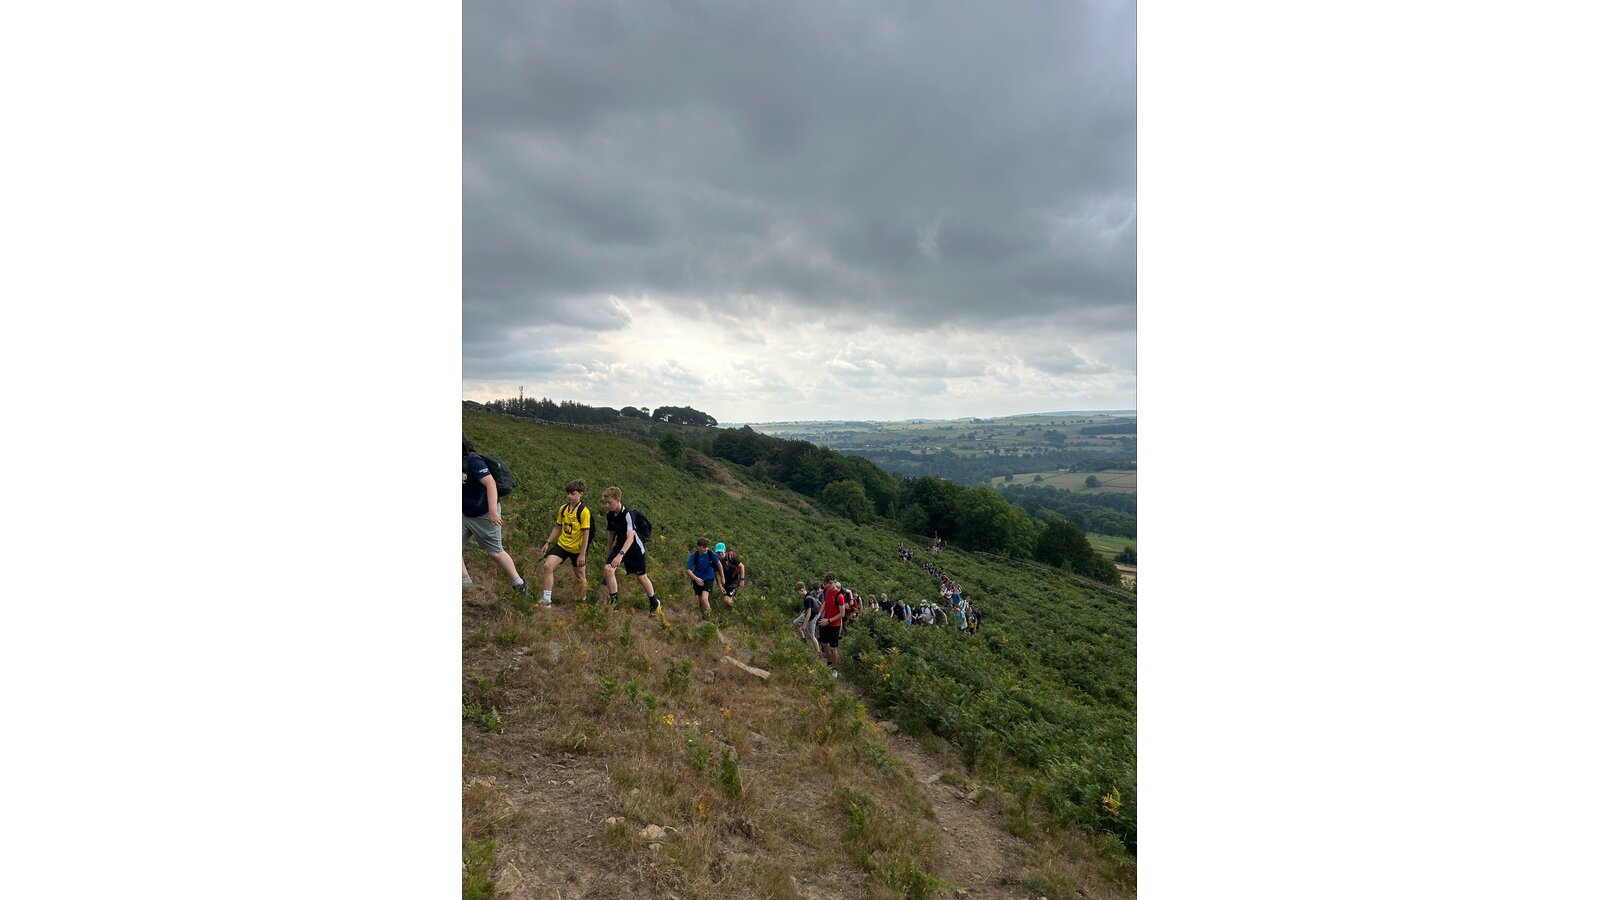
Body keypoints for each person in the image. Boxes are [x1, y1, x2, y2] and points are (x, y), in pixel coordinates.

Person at [462, 439, 529, 595]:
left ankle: (519, 583)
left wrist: (493, 511)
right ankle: (465, 582)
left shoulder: (472, 460)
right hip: (464, 513)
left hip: (484, 513)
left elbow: (491, 483)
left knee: (495, 552)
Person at [601, 486, 660, 615]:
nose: (607, 505)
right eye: (605, 503)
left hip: (635, 548)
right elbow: (611, 534)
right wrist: (609, 552)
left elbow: (630, 538)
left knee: (641, 578)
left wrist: (620, 555)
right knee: (608, 569)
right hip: (620, 545)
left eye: (609, 502)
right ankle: (615, 604)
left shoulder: (628, 514)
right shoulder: (610, 515)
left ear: (618, 499)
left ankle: (654, 603)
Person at [535, 479, 591, 608]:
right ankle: (547, 600)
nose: (569, 496)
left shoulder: (584, 511)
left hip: (577, 550)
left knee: (580, 576)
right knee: (548, 566)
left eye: (573, 493)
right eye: (568, 493)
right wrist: (548, 542)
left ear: (581, 494)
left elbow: (586, 534)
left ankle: (582, 602)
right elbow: (558, 527)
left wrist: (582, 554)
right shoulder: (563, 509)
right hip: (562, 545)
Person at [685, 538, 725, 620]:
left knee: (704, 598)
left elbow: (719, 564)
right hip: (698, 579)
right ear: (698, 547)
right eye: (704, 547)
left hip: (709, 578)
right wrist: (696, 579)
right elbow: (689, 570)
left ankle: (711, 620)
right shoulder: (694, 555)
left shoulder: (710, 554)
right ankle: (704, 617)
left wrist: (722, 577)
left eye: (707, 547)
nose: (706, 549)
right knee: (700, 601)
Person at [817, 572, 846, 674]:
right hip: (825, 621)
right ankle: (829, 663)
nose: (828, 585)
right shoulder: (827, 591)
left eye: (830, 583)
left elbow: (842, 614)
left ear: (835, 581)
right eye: (826, 583)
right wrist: (820, 612)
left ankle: (834, 668)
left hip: (834, 625)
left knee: (832, 648)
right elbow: (825, 602)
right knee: (824, 644)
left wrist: (828, 620)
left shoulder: (839, 596)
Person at [714, 542, 744, 612]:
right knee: (727, 600)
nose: (720, 554)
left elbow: (742, 566)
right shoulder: (716, 561)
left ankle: (736, 612)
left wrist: (742, 580)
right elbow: (717, 574)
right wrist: (720, 586)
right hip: (725, 583)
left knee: (727, 599)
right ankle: (732, 612)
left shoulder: (730, 558)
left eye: (721, 552)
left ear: (724, 550)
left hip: (734, 581)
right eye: (718, 552)